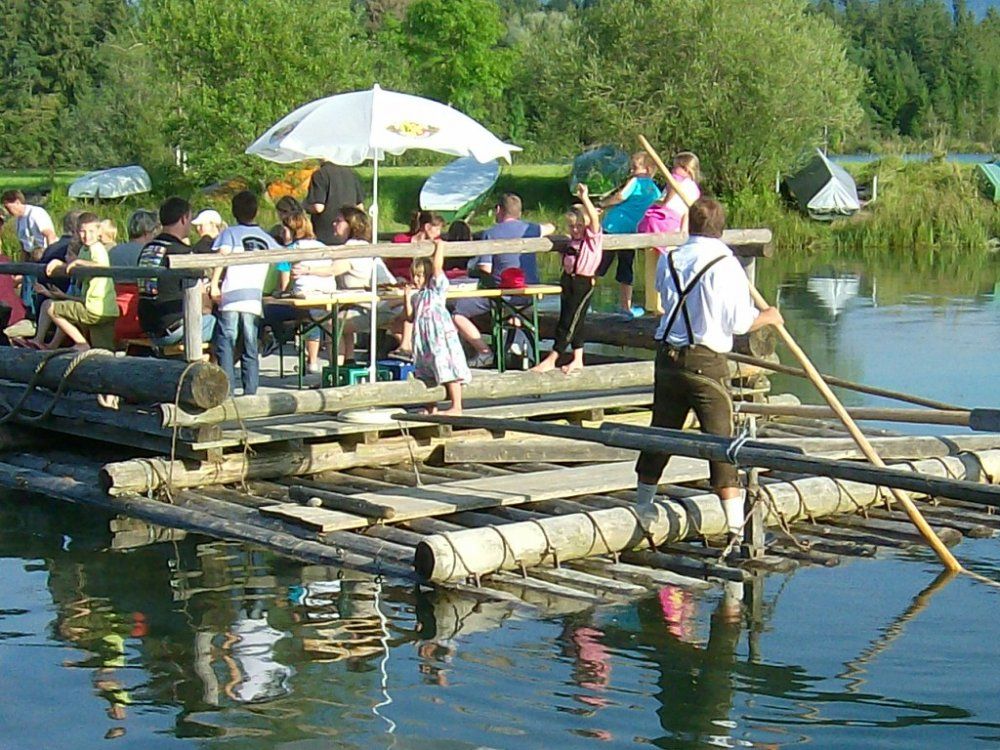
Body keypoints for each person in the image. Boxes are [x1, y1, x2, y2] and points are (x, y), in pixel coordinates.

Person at [633, 198, 783, 555]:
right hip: (705, 360)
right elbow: (739, 323)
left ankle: (643, 507)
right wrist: (770, 316)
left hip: (667, 357)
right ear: (721, 228)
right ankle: (735, 529)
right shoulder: (725, 264)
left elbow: (666, 303)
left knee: (661, 433)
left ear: (690, 226)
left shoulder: (669, 257)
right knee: (721, 442)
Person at [453, 193, 554, 367]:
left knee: (457, 312)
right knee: (515, 315)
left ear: (498, 210)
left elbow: (486, 269)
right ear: (519, 213)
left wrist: (472, 271)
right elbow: (551, 227)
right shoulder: (531, 229)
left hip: (504, 295)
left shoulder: (490, 234)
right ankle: (517, 342)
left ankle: (485, 352)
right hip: (529, 293)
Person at [210, 191, 279, 395]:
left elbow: (221, 258)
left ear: (233, 211)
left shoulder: (229, 234)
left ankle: (227, 389)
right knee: (250, 346)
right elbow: (281, 257)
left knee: (226, 344)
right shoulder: (265, 238)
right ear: (256, 211)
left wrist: (214, 284)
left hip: (231, 295)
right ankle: (251, 391)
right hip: (252, 297)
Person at [532, 183, 603, 375]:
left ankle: (553, 357)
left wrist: (584, 198)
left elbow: (594, 220)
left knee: (568, 322)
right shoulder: (571, 241)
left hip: (583, 282)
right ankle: (578, 358)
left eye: (579, 226)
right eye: (572, 226)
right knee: (573, 321)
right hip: (568, 280)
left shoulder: (592, 239)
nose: (576, 230)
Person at [136, 197, 216, 349]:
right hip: (173, 329)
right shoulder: (182, 253)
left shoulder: (147, 249)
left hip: (148, 327)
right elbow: (202, 291)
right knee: (224, 325)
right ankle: (218, 370)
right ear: (184, 218)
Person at [406, 239, 471, 415]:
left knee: (448, 367)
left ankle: (456, 406)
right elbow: (410, 317)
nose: (416, 279)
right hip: (423, 339)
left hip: (439, 336)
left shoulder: (436, 290)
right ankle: (430, 406)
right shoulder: (416, 296)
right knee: (426, 371)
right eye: (414, 275)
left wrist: (439, 247)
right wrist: (406, 296)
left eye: (419, 275)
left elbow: (437, 269)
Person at [325, 206, 395, 363]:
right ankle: (349, 363)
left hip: (379, 307)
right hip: (382, 305)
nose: (334, 224)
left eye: (339, 221)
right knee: (342, 319)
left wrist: (307, 270)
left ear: (352, 225)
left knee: (332, 325)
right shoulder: (364, 246)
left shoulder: (351, 248)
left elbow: (333, 270)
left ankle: (336, 373)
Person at [39, 212, 119, 350]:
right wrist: (60, 264)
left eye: (91, 231)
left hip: (94, 307)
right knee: (103, 350)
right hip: (107, 309)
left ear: (99, 231)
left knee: (50, 307)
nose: (87, 235)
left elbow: (101, 266)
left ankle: (79, 344)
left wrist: (78, 262)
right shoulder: (84, 249)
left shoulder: (96, 248)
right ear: (76, 232)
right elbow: (75, 266)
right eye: (83, 231)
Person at [597, 151, 662, 318]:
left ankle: (587, 299)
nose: (631, 171)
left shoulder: (635, 182)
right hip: (631, 232)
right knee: (626, 268)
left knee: (599, 265)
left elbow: (620, 196)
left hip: (614, 227)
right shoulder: (655, 190)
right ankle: (626, 306)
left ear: (648, 169)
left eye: (635, 167)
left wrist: (603, 204)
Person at [1, 189, 58, 319]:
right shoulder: (19, 221)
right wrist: (20, 268)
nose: (8, 211)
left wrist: (49, 257)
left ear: (17, 202)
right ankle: (28, 315)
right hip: (31, 258)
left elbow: (50, 235)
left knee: (38, 290)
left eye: (8, 207)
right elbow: (24, 247)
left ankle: (37, 317)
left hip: (43, 256)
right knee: (27, 290)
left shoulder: (36, 214)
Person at [638, 151, 702, 252]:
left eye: (675, 166)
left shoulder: (675, 179)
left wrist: (656, 203)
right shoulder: (695, 188)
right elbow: (687, 212)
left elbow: (666, 201)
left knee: (653, 259)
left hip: (663, 221)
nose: (672, 170)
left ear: (685, 168)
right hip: (678, 225)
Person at [304, 161, 364, 246]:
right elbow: (360, 207)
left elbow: (318, 207)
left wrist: (305, 206)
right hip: (350, 236)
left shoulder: (320, 174)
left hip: (325, 236)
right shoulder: (351, 174)